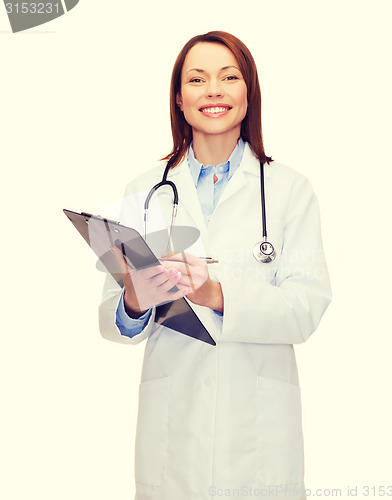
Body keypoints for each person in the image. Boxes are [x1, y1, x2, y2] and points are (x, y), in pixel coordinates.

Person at [99, 31, 332, 500]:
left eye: (229, 77)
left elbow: (307, 305)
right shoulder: (144, 189)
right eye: (197, 79)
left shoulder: (288, 190)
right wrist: (134, 299)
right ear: (179, 99)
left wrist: (216, 295)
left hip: (259, 433)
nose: (213, 91)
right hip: (174, 434)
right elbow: (111, 319)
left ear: (249, 93)